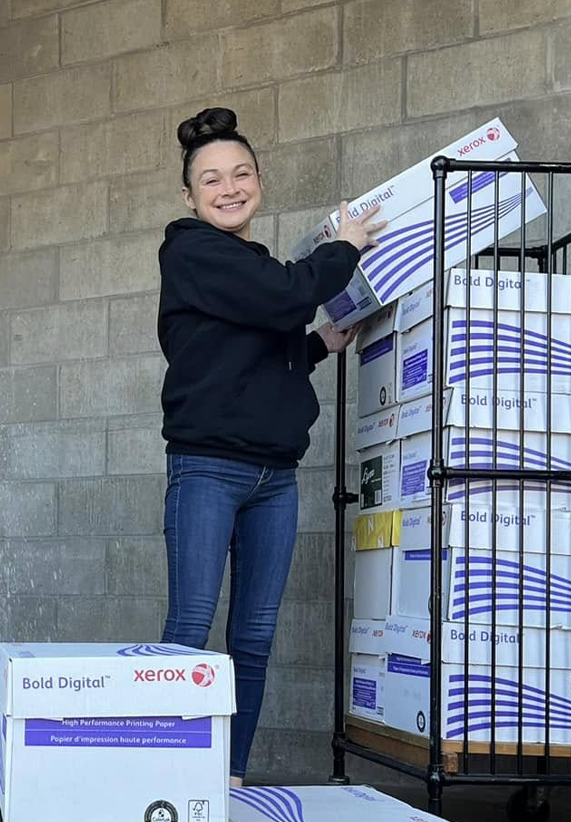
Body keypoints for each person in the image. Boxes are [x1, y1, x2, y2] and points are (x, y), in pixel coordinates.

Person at [156, 107, 385, 787]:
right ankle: (168, 771)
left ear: (258, 180)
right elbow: (285, 297)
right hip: (208, 470)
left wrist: (318, 345)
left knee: (253, 641)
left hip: (274, 479)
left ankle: (228, 773)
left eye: (241, 173)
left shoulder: (248, 263)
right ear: (191, 195)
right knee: (190, 630)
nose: (229, 187)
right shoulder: (191, 249)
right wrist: (342, 248)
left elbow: (249, 346)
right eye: (211, 179)